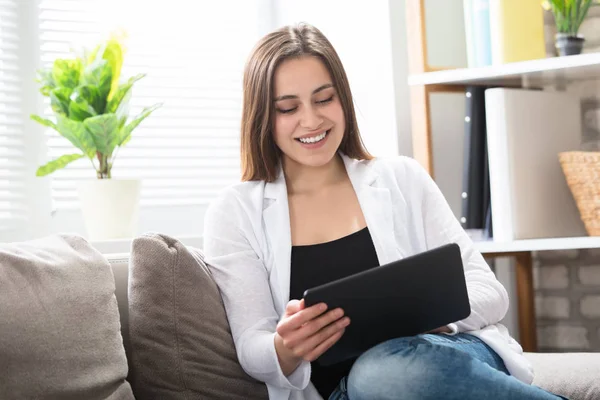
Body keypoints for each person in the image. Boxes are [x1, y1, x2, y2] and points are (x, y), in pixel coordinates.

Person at [203, 23, 565, 400]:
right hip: (346, 392)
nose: (310, 121)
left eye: (324, 99)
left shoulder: (401, 178)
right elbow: (251, 347)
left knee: (386, 370)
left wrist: (436, 315)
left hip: (441, 358)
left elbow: (490, 291)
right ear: (262, 115)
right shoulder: (235, 212)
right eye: (288, 108)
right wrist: (284, 346)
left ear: (343, 99)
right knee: (376, 375)